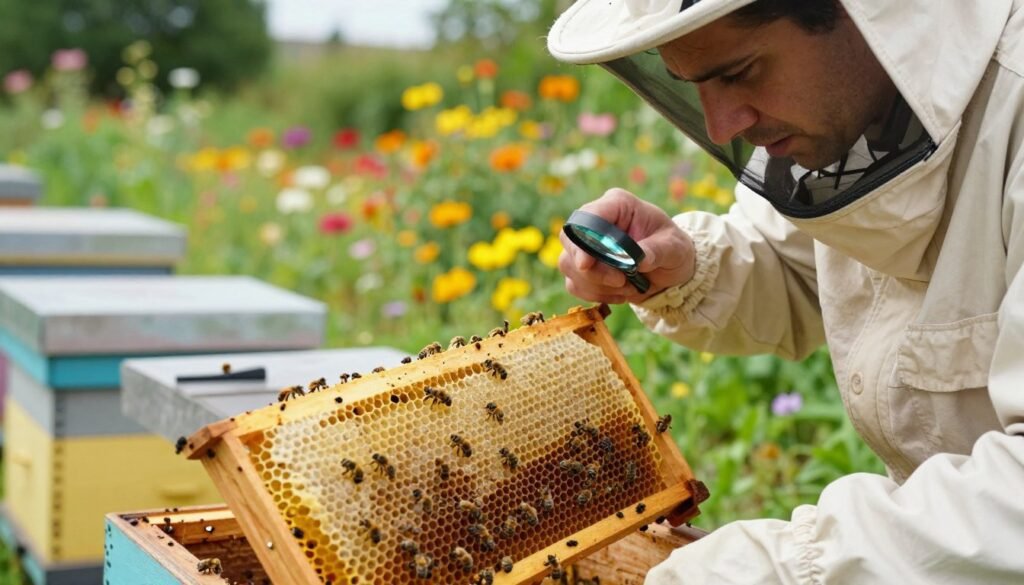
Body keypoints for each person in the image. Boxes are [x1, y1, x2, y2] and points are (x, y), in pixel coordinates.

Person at [549, 0, 1024, 583]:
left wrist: (778, 569)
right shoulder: (856, 103)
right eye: (694, 84)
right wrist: (688, 266)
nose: (721, 125)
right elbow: (809, 265)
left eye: (740, 71)